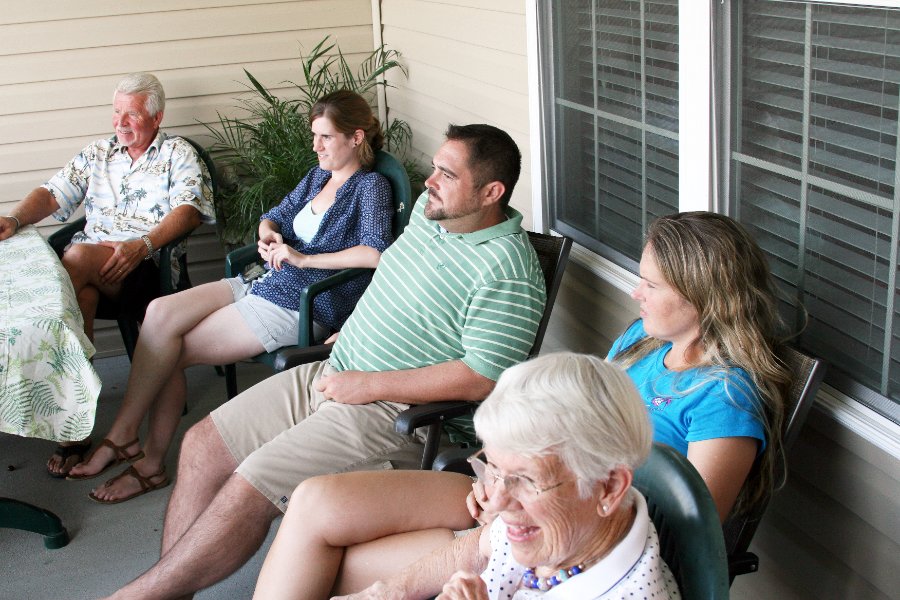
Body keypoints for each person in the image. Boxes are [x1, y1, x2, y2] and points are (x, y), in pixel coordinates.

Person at [103, 123, 547, 599]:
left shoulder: (508, 272)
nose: (429, 181)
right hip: (335, 369)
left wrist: (370, 386)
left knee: (248, 485)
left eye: (446, 174)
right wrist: (355, 330)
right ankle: (175, 591)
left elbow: (479, 379)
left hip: (390, 414)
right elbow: (397, 281)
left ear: (491, 192)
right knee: (202, 445)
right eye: (435, 168)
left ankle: (143, 596)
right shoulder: (430, 214)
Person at [247, 210, 789, 597]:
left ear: (702, 295)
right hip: (524, 492)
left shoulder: (725, 399)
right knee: (315, 504)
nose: (635, 293)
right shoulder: (641, 342)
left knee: (339, 564)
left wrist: (520, 506)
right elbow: (564, 419)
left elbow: (683, 534)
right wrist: (499, 477)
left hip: (567, 527)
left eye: (651, 284)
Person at [65, 90, 395, 503]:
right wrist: (270, 234)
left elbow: (375, 252)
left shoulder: (371, 187)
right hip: (259, 280)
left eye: (325, 137)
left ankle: (144, 458)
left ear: (356, 137)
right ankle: (127, 439)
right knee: (160, 313)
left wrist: (304, 259)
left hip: (298, 302)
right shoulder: (318, 177)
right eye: (314, 136)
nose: (315, 146)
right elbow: (272, 215)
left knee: (172, 347)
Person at [259, 353, 680, 599]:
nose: (493, 503)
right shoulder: (562, 529)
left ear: (608, 487)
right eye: (492, 469)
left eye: (525, 481)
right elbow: (480, 543)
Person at [0, 72, 216, 478]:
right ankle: (76, 425)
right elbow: (53, 192)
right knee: (80, 290)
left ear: (156, 117)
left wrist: (144, 245)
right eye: (117, 112)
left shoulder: (178, 154)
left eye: (131, 115)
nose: (120, 122)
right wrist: (14, 218)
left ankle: (70, 419)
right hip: (98, 270)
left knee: (75, 259)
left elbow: (187, 211)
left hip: (149, 269)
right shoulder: (99, 153)